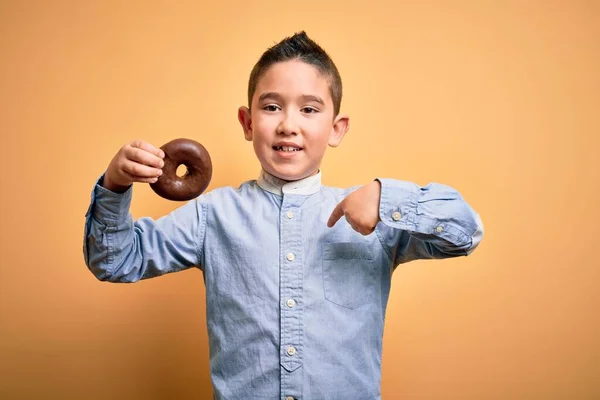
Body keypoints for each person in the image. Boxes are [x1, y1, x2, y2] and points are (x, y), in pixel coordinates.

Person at [83, 31, 483, 400]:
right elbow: (116, 261)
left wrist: (388, 196)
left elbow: (466, 232)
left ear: (336, 129)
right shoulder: (213, 216)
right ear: (248, 122)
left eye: (310, 109)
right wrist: (115, 185)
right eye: (272, 107)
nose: (289, 125)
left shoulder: (373, 217)